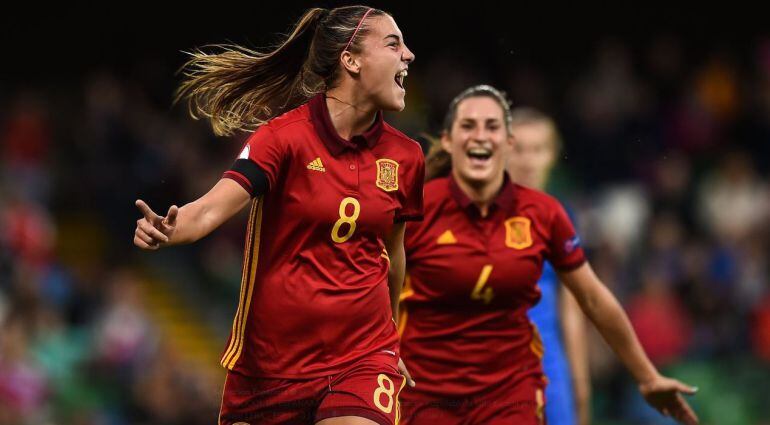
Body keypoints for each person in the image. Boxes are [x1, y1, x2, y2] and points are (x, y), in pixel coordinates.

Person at [133, 6, 423, 425]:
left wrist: (390, 343)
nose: (409, 55)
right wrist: (169, 230)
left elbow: (392, 254)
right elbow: (212, 207)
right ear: (351, 60)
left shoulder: (406, 157)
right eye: (393, 43)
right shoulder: (283, 139)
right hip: (269, 370)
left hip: (362, 358)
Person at [398, 85, 698, 424]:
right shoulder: (415, 209)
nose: (481, 136)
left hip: (518, 382)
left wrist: (644, 376)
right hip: (430, 390)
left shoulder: (548, 214)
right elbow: (381, 289)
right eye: (468, 126)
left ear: (505, 143)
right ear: (449, 140)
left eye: (493, 127)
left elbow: (591, 300)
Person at [508, 107, 590, 425]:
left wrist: (579, 382)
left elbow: (572, 305)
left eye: (538, 149)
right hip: (492, 360)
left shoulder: (561, 216)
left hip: (549, 359)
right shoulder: (479, 214)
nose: (528, 160)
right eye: (518, 148)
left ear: (553, 155)